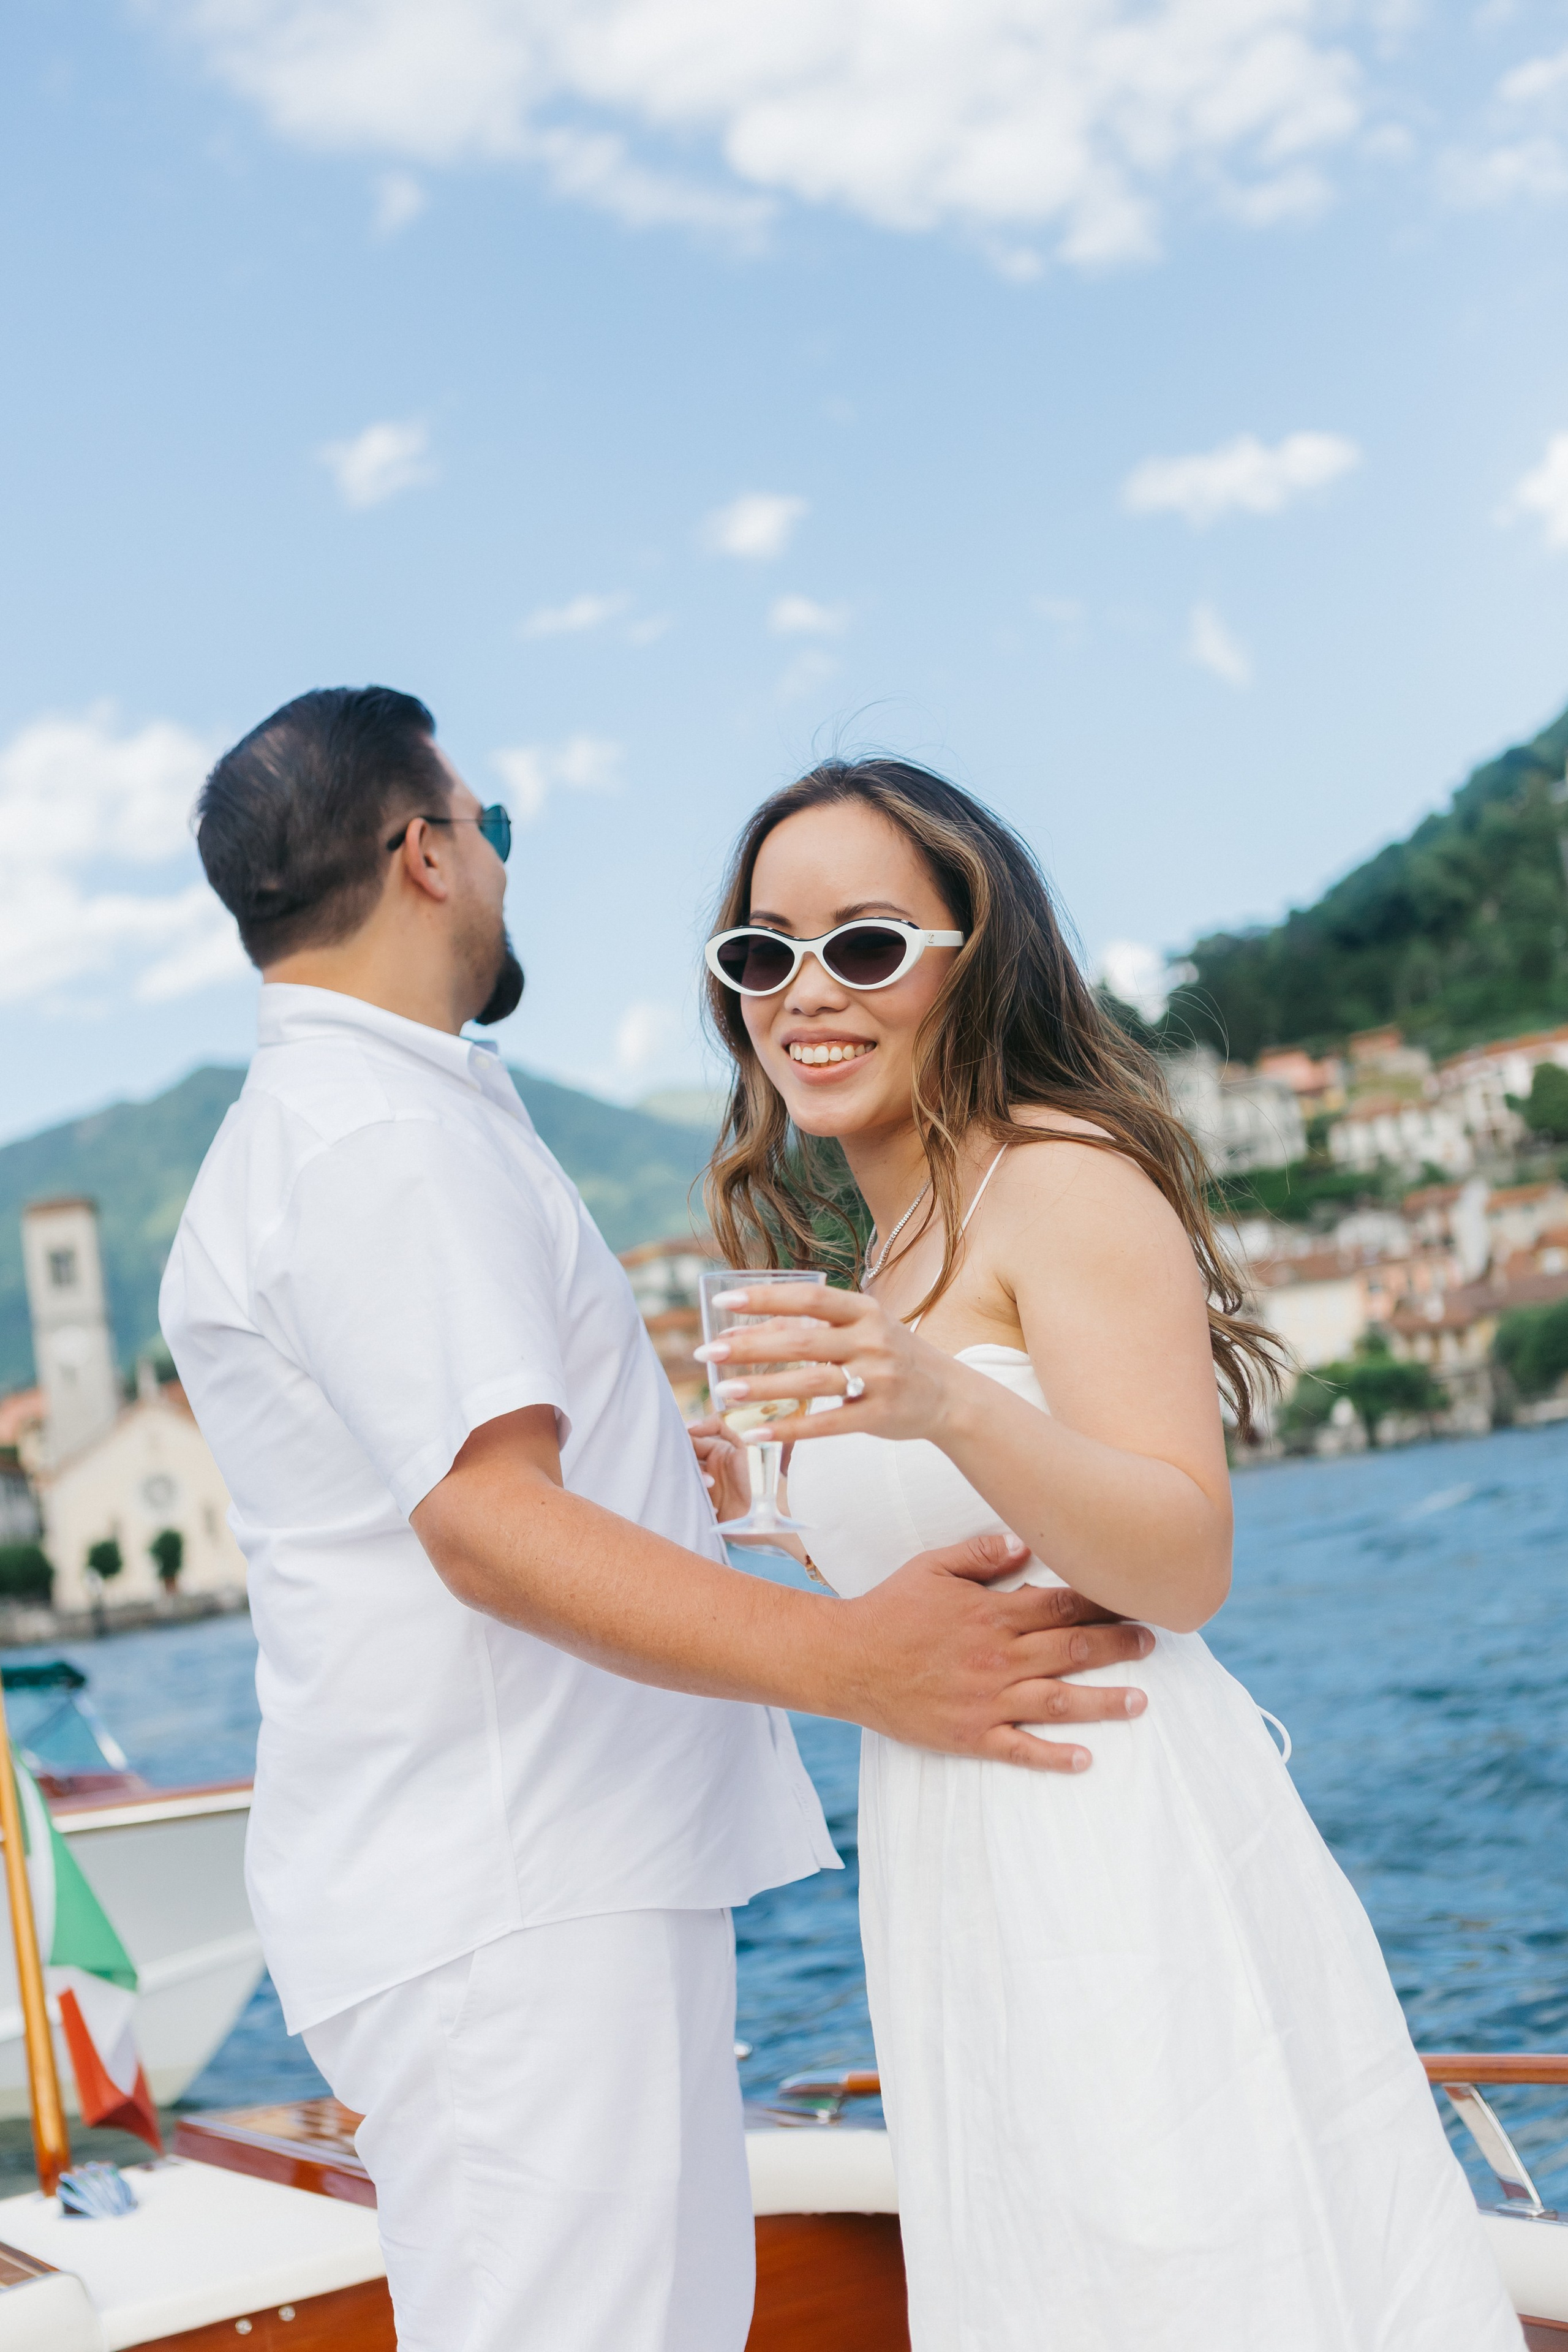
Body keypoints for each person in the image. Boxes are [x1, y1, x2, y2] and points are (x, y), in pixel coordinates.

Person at [158, 688, 1154, 2352]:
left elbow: (463, 1494)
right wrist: (859, 1662)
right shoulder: (382, 1138)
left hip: (525, 1878)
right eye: (490, 828)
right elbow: (487, 1525)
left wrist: (662, 1474)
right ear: (423, 855)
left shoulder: (355, 1123)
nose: (500, 864)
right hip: (518, 1897)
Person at [689, 756, 1523, 2352]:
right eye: (761, 953)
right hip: (957, 1858)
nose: (805, 992)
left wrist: (937, 1398)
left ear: (972, 961)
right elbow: (971, 1556)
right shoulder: (890, 1248)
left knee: (1182, 2274)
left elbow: (1184, 1557)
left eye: (861, 944)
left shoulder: (1061, 1177)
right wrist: (768, 1493)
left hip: (1109, 1836)